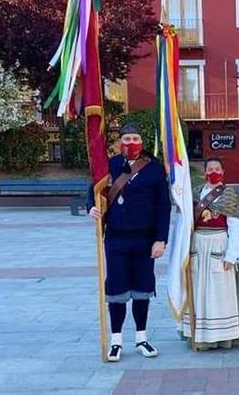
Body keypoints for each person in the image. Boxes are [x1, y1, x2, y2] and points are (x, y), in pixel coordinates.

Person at [88, 123, 171, 362]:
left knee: (142, 290)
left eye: (135, 138)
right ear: (119, 142)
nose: (131, 143)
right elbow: (93, 192)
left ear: (141, 141)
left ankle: (141, 338)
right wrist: (92, 208)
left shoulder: (154, 169)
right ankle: (116, 341)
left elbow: (163, 207)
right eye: (126, 139)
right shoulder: (109, 165)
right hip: (116, 239)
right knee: (116, 290)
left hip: (145, 240)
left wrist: (160, 239)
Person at [182, 157, 239, 350]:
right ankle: (199, 335)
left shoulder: (229, 195)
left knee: (220, 292)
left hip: (219, 244)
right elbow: (186, 224)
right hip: (197, 245)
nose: (213, 171)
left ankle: (223, 335)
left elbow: (235, 228)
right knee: (198, 291)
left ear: (223, 171)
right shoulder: (195, 193)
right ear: (204, 172)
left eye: (216, 168)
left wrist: (231, 256)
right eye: (209, 169)